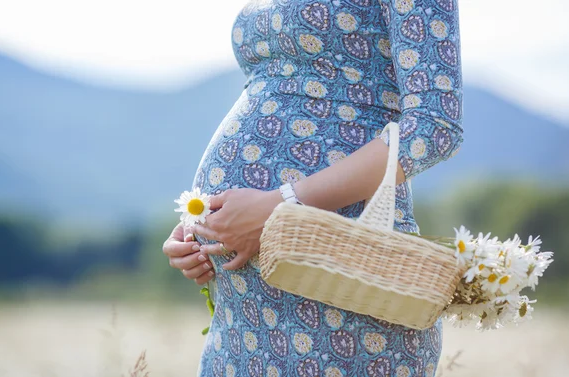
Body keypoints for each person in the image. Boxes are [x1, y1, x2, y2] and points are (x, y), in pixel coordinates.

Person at [163, 0, 463, 375]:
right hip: (242, 318)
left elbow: (435, 128)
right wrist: (202, 225)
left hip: (336, 285)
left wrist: (281, 205)